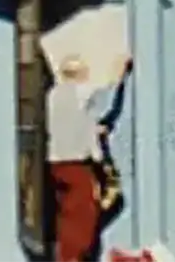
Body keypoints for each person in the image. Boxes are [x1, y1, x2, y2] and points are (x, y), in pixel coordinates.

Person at [47, 54, 132, 262]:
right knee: (84, 211)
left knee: (68, 211)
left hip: (56, 162)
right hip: (76, 162)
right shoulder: (80, 93)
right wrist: (121, 73)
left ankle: (67, 253)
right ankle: (75, 256)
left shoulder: (53, 95)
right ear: (79, 74)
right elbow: (105, 96)